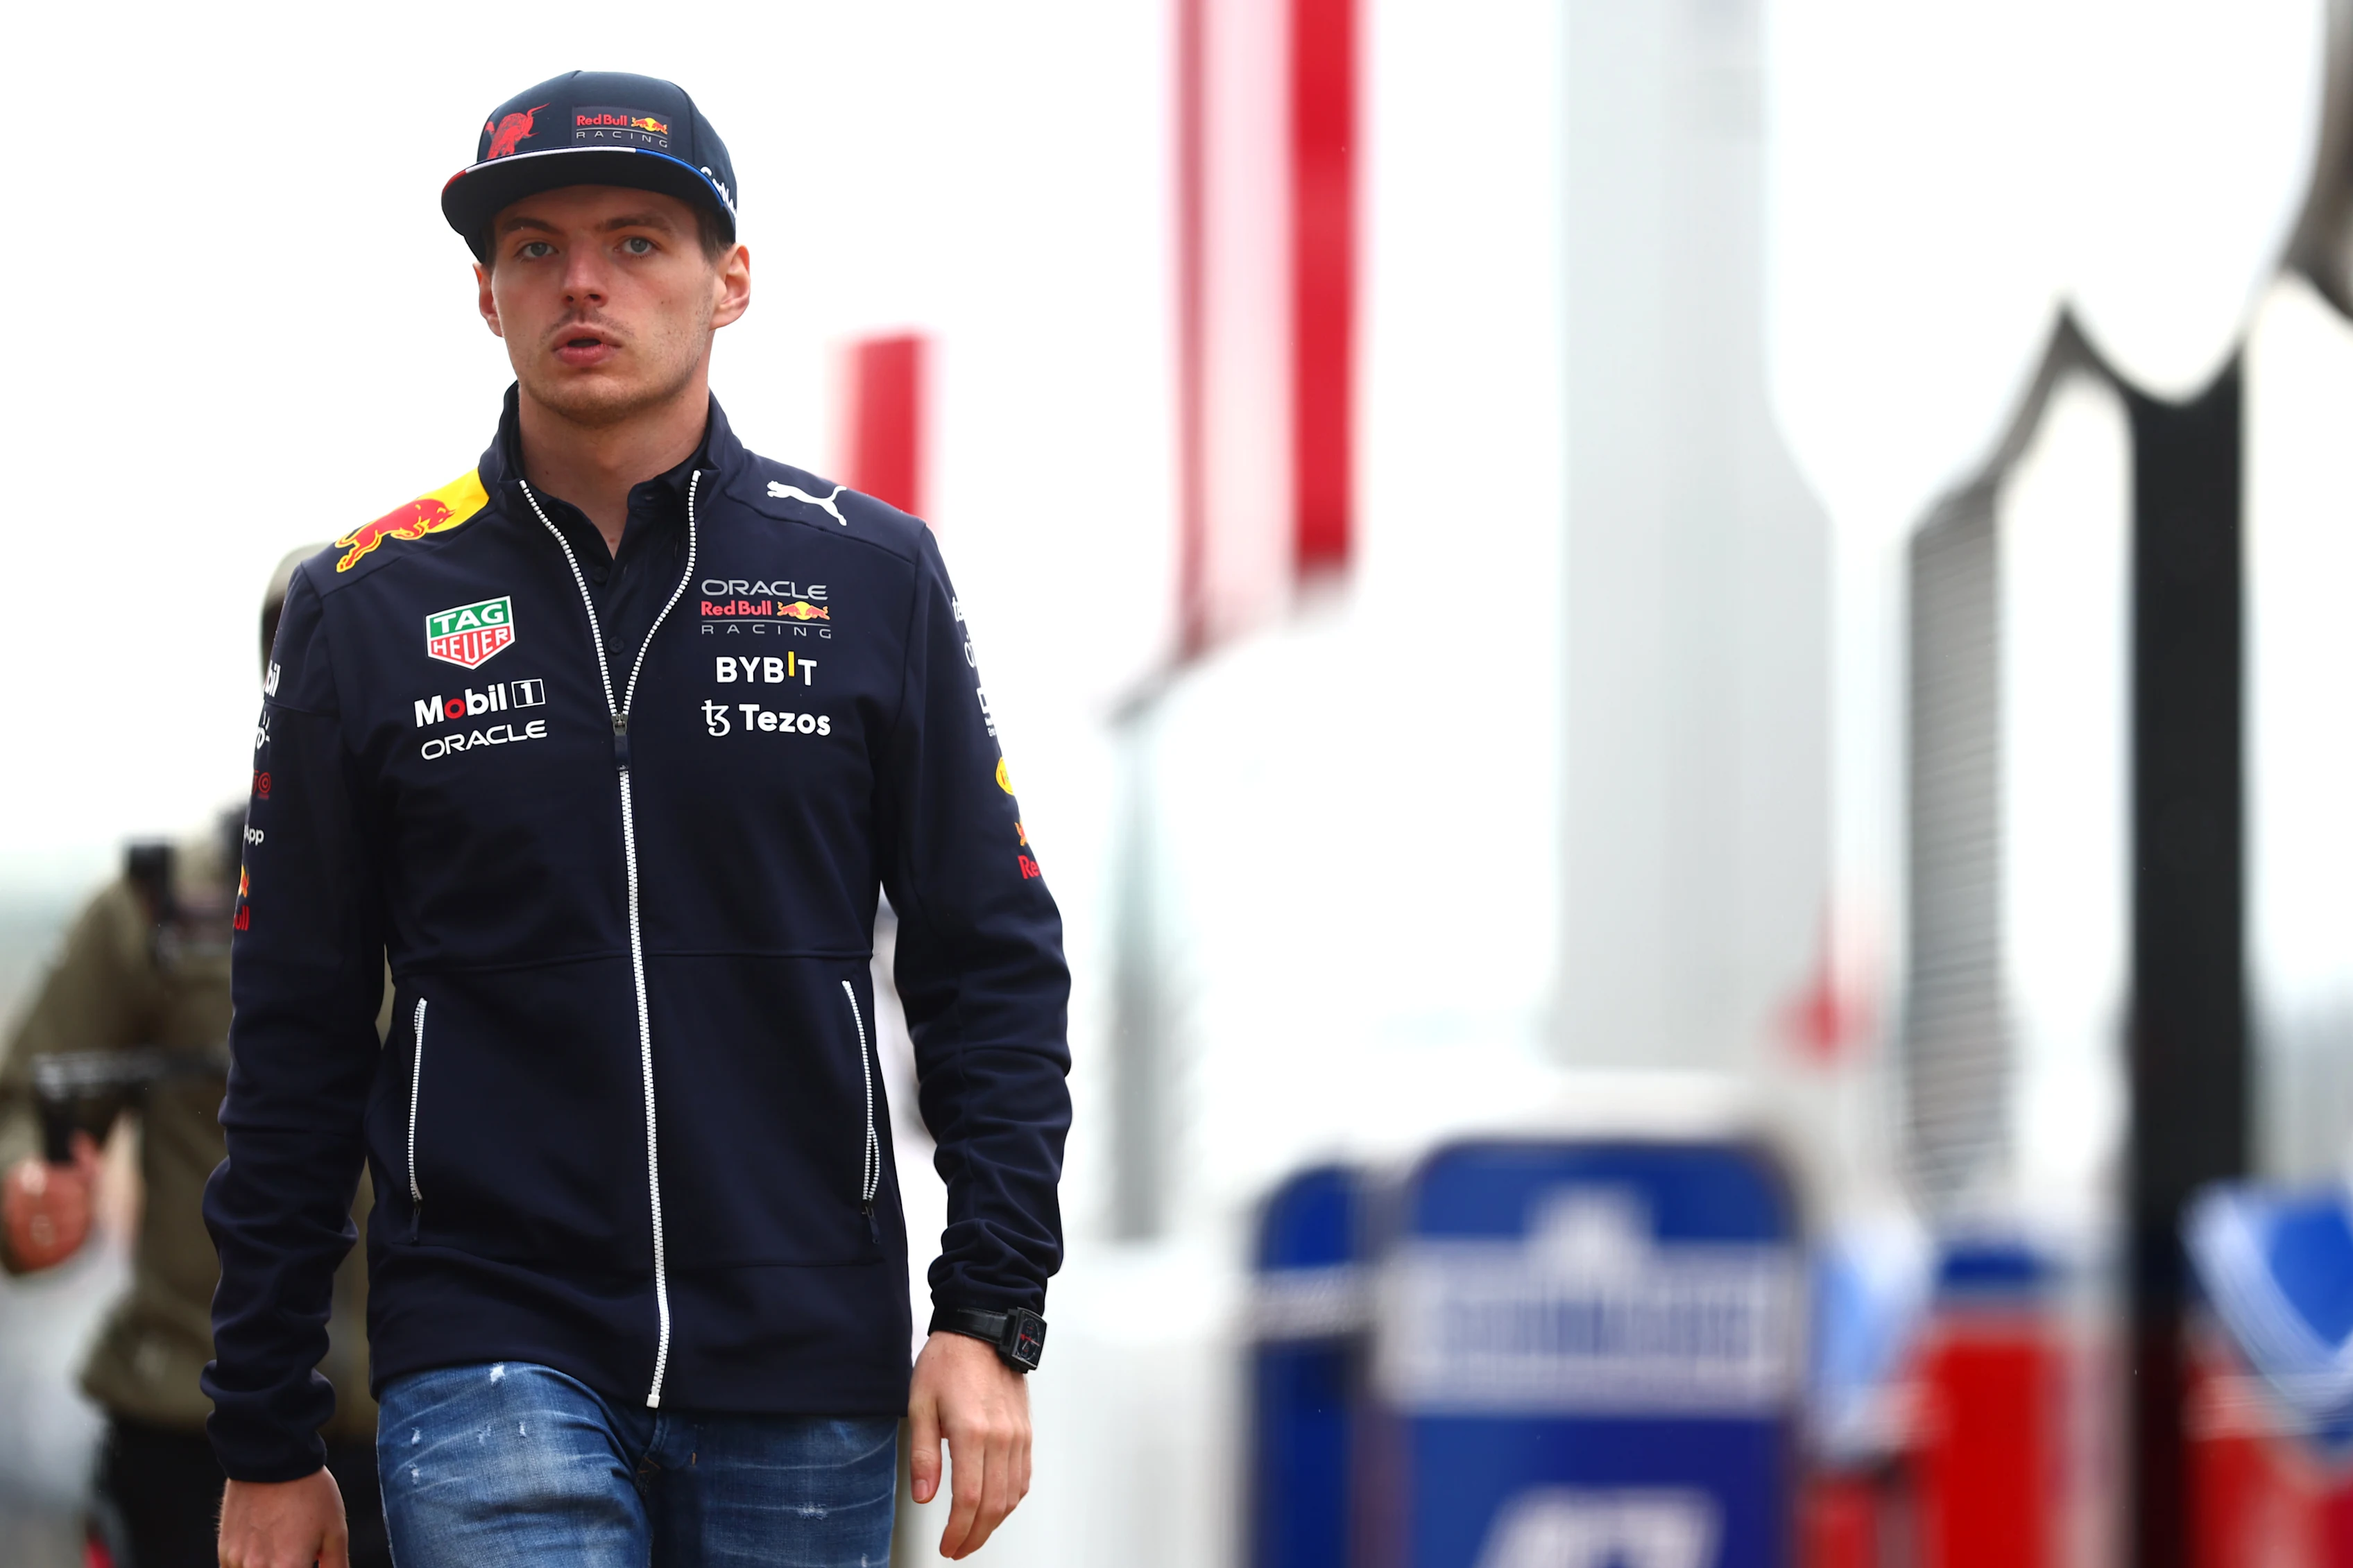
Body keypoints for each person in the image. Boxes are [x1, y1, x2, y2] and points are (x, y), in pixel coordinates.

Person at [205, 71, 1071, 1568]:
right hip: (485, 1336)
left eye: (636, 239)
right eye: (533, 246)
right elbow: (293, 1029)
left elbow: (988, 958)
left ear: (730, 280)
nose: (581, 280)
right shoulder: (365, 607)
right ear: (486, 294)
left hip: (804, 1350)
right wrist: (267, 1429)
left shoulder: (870, 575)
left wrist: (988, 1313)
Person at [0, 551, 389, 1568]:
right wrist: (27, 1192)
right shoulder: (160, 914)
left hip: (449, 1431)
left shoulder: (508, 905)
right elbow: (23, 1102)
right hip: (195, 1438)